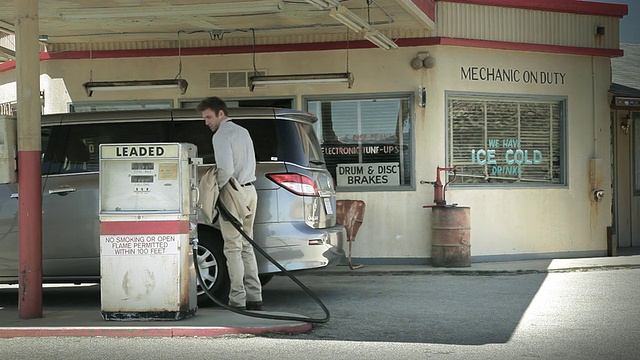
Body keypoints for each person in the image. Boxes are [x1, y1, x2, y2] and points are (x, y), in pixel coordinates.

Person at [197, 96, 262, 311]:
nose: (206, 122)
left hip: (233, 191)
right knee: (247, 246)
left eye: (208, 117)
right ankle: (255, 297)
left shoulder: (222, 135)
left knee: (232, 247)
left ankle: (237, 300)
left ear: (220, 114)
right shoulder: (243, 132)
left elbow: (225, 170)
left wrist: (215, 193)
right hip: (251, 190)